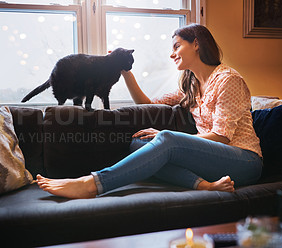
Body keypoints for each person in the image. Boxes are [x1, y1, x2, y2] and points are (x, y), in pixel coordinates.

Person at [36, 24, 263, 199]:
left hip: (243, 160)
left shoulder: (228, 79)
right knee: (139, 143)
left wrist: (171, 139)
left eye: (177, 46)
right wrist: (125, 72)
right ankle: (205, 185)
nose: (172, 54)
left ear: (196, 44)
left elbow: (222, 137)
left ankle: (91, 185)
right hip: (213, 162)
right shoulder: (190, 85)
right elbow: (147, 102)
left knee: (164, 138)